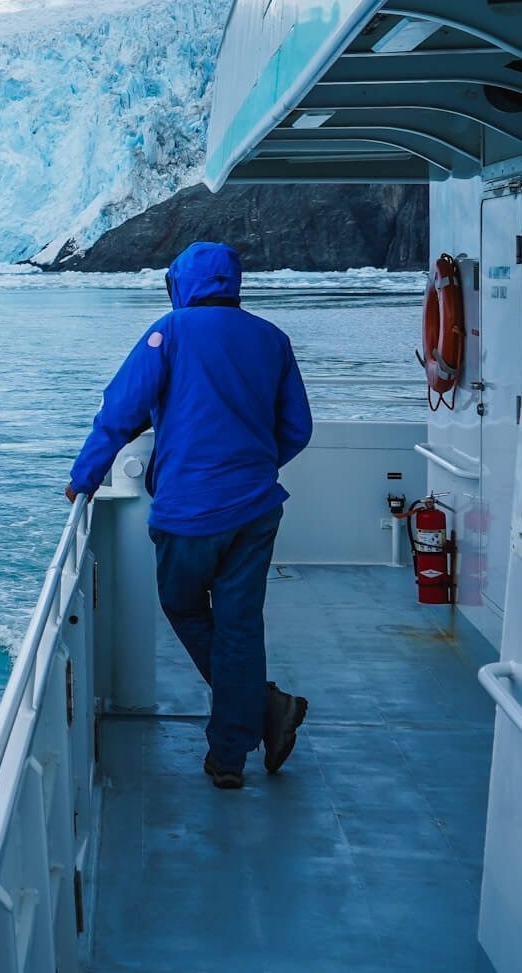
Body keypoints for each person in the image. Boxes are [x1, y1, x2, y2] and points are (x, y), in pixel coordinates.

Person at [64, 241, 313, 789]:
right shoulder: (272, 338)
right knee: (240, 626)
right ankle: (231, 753)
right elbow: (297, 429)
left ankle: (262, 709)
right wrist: (251, 466)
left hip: (189, 512)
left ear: (180, 284)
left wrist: (83, 479)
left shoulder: (170, 333)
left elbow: (121, 411)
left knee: (182, 604)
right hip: (256, 509)